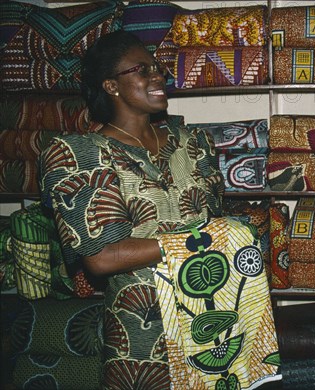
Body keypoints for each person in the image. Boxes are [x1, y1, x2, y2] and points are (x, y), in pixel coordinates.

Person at [39, 30, 224, 388]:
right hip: (143, 336)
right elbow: (103, 257)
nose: (159, 76)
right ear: (111, 86)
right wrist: (201, 240)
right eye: (143, 69)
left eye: (158, 68)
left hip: (212, 319)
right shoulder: (81, 155)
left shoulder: (195, 145)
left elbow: (217, 224)